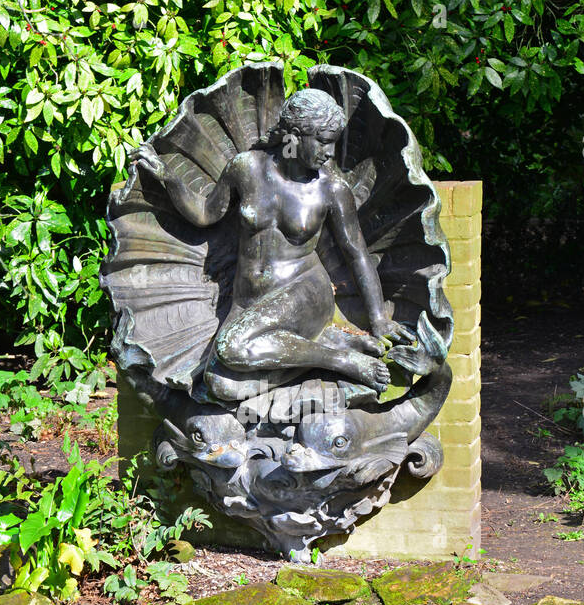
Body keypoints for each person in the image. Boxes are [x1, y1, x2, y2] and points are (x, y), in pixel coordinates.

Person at [133, 87, 414, 398]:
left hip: (305, 293)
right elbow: (205, 214)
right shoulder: (247, 168)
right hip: (249, 302)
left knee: (231, 347)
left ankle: (341, 360)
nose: (330, 152)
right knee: (220, 385)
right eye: (323, 140)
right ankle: (323, 347)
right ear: (294, 135)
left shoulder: (331, 189)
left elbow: (357, 253)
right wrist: (169, 178)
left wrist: (378, 319)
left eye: (333, 142)